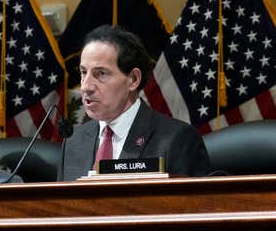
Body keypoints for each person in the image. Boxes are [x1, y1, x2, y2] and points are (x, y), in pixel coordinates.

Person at [61, 25, 212, 179]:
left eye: (101, 74)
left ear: (133, 79)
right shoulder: (74, 141)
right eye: (83, 72)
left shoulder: (177, 139)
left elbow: (196, 202)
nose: (86, 87)